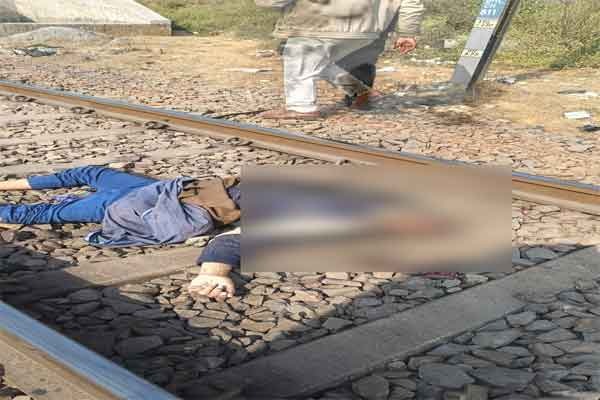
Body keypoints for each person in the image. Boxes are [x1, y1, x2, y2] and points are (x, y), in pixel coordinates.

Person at [0, 166, 241, 300]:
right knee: (91, 172)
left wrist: (212, 273)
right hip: (164, 188)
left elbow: (232, 239)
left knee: (45, 213)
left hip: (152, 207)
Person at [256, 0, 425, 119]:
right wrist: (407, 32)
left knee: (299, 61)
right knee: (319, 63)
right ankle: (360, 91)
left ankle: (300, 107)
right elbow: (411, 2)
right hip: (367, 30)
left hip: (317, 23)